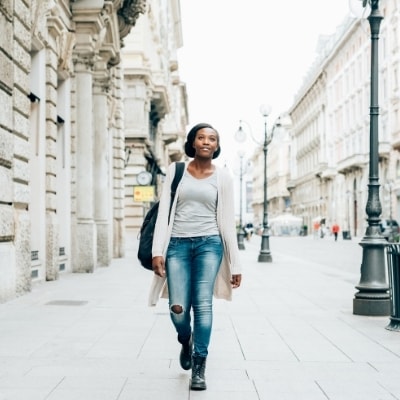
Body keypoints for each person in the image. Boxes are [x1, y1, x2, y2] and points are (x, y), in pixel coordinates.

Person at [149, 122, 242, 391]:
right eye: (201, 137)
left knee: (203, 304)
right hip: (177, 244)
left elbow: (227, 221)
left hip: (209, 245)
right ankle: (185, 339)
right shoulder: (176, 170)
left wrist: (235, 263)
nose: (206, 142)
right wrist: (158, 251)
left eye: (212, 138)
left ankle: (199, 365)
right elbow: (165, 211)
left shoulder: (223, 177)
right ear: (192, 142)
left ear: (217, 145)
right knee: (177, 308)